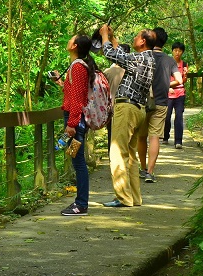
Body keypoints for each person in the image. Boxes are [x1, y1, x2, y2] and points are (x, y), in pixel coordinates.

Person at [99, 25, 155, 208]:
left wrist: (104, 36)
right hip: (139, 109)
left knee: (117, 152)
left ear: (143, 41)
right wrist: (113, 37)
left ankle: (123, 197)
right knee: (130, 156)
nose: (134, 38)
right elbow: (121, 55)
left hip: (127, 108)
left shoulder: (139, 58)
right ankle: (134, 198)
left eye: (137, 36)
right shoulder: (149, 59)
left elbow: (111, 54)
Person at [56, 34, 96, 216]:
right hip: (74, 120)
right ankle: (80, 202)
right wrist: (61, 83)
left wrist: (71, 124)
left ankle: (81, 204)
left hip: (75, 122)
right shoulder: (76, 66)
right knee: (75, 159)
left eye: (71, 39)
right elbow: (73, 93)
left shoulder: (78, 67)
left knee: (78, 162)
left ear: (75, 46)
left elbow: (78, 99)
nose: (68, 41)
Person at [138, 28, 183, 183]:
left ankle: (143, 168)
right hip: (161, 102)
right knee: (155, 137)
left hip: (143, 102)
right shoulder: (169, 60)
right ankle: (150, 172)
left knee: (141, 137)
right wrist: (166, 85)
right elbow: (179, 80)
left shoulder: (143, 56)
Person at [103, 43, 130, 151]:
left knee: (111, 135)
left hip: (111, 108)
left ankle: (111, 156)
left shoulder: (107, 72)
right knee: (127, 136)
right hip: (128, 107)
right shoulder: (132, 71)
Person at [164, 41, 189, 148]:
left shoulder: (184, 64)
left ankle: (178, 141)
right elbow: (163, 78)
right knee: (167, 116)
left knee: (179, 116)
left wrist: (185, 75)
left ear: (182, 52)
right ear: (172, 51)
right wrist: (168, 87)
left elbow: (183, 81)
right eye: (175, 50)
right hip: (168, 93)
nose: (177, 53)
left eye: (179, 51)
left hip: (180, 93)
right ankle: (165, 136)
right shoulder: (167, 63)